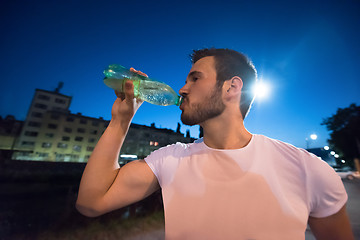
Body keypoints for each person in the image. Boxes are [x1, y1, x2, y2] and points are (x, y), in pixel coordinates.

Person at [76, 48, 354, 239]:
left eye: (195, 78)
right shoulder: (169, 159)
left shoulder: (306, 168)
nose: (182, 89)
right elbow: (91, 202)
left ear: (231, 87)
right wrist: (120, 120)